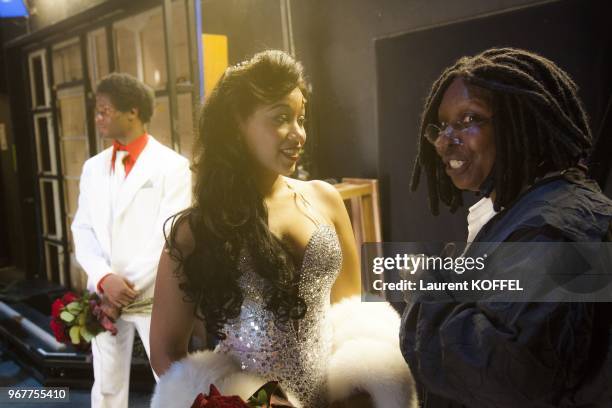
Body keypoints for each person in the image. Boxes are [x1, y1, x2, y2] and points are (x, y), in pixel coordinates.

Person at [149, 50, 415, 408]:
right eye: (281, 118)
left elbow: (352, 311)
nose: (299, 134)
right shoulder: (196, 229)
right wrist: (247, 402)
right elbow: (166, 353)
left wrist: (365, 381)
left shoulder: (326, 199)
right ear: (236, 125)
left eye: (301, 119)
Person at [400, 47, 612, 407]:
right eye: (442, 125)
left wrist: (427, 290)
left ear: (519, 123)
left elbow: (504, 376)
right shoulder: (531, 207)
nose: (443, 140)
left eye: (468, 120)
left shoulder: (555, 229)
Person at [71, 73, 192, 408]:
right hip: (103, 293)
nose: (98, 118)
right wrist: (103, 278)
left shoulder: (173, 167)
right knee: (106, 383)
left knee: (172, 380)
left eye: (104, 111)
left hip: (155, 294)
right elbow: (82, 229)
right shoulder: (93, 168)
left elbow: (170, 235)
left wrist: (124, 288)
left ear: (133, 112)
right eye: (98, 111)